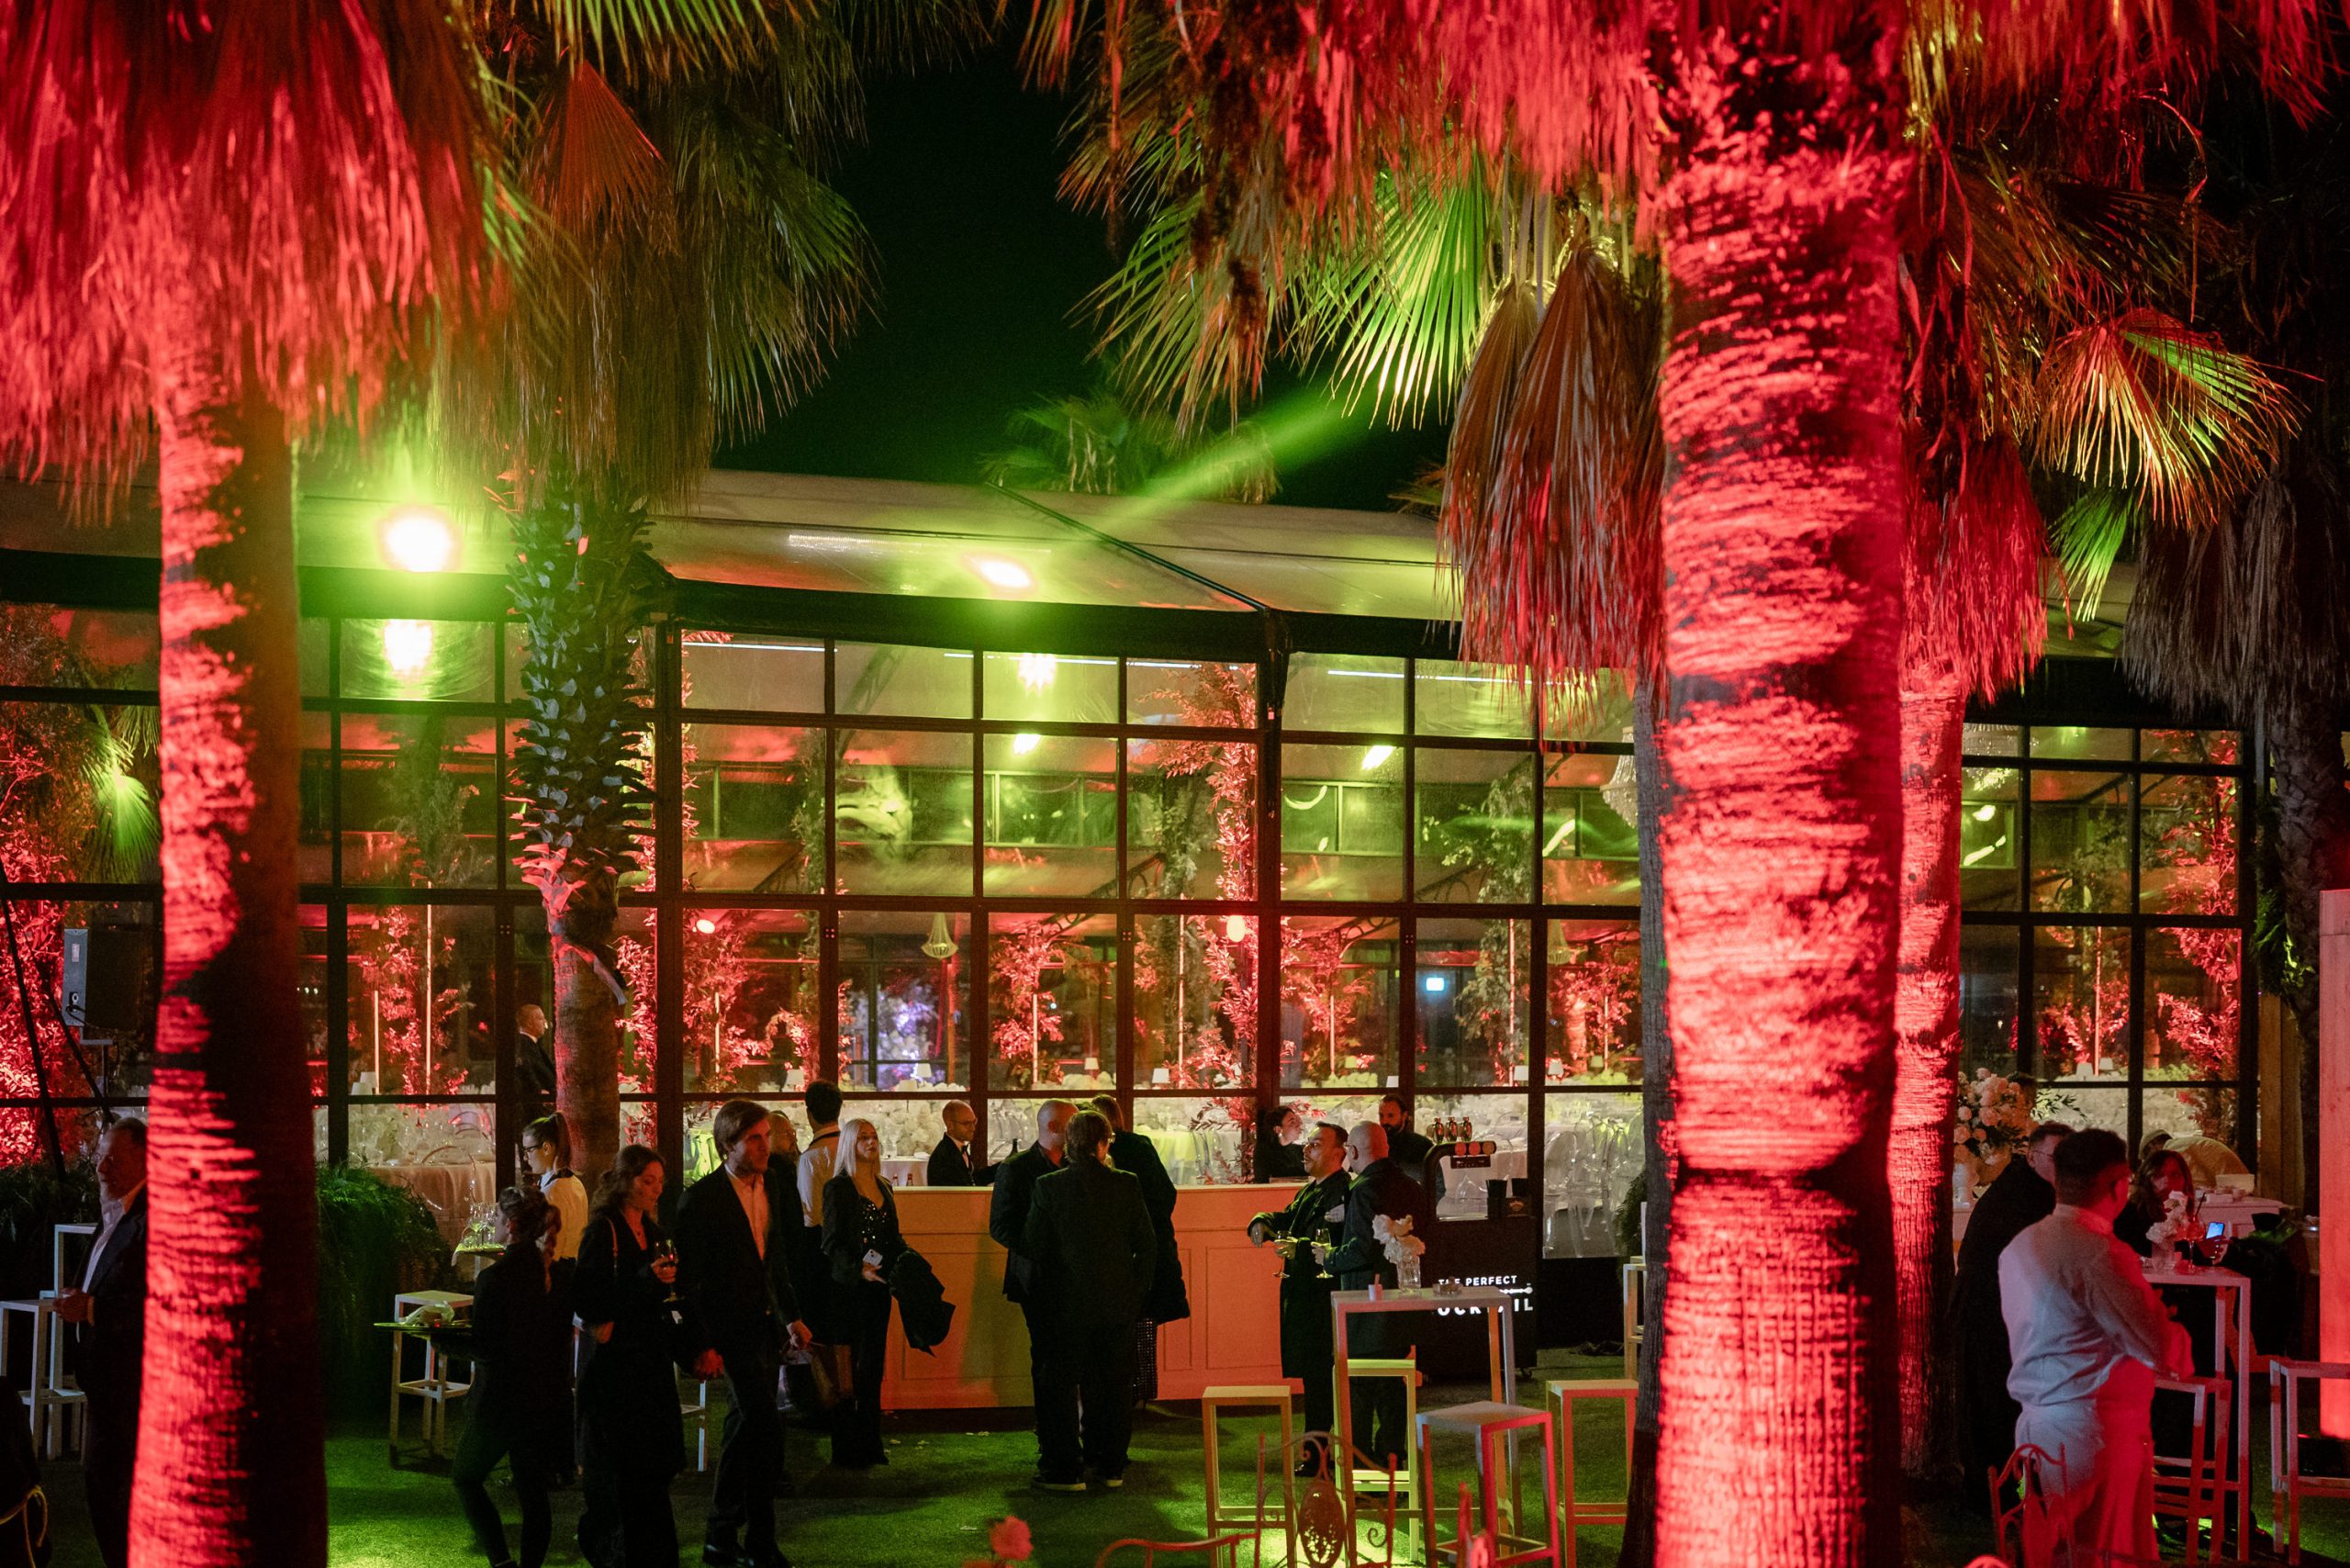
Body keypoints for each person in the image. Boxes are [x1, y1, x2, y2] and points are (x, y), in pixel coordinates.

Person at [2000, 1129, 2192, 1562]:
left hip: (2037, 1428)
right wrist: (2170, 1332)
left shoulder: (2020, 1246)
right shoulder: (2100, 1253)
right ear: (2117, 1184)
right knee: (2103, 1554)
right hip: (2093, 1433)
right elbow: (2158, 1345)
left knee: (2055, 1553)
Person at [676, 1101, 812, 1568]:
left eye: (766, 1137)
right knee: (764, 1424)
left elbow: (775, 1260)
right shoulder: (701, 1199)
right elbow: (689, 1282)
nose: (764, 1146)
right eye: (753, 1138)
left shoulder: (772, 1184)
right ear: (727, 1145)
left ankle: (723, 1535)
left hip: (763, 1325)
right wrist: (703, 1343)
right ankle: (757, 1538)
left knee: (746, 1427)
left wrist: (791, 1317)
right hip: (726, 1328)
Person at [1023, 1111, 1157, 1491]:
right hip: (1115, 1305)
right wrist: (1134, 1294)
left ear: (1069, 1144)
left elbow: (1034, 1246)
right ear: (1103, 1144)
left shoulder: (1049, 1186)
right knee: (1113, 1387)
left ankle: (1064, 1470)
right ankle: (1109, 1464)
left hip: (1064, 1306)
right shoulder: (1126, 1183)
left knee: (1059, 1388)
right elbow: (1148, 1246)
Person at [576, 1147, 691, 1568]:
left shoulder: (654, 1231)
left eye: (660, 1182)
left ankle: (652, 1556)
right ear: (626, 1181)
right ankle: (615, 1549)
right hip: (616, 1371)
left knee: (654, 1470)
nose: (656, 1190)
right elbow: (590, 1300)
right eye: (648, 1181)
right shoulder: (603, 1232)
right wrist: (646, 1280)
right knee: (623, 1473)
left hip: (649, 1364)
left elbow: (660, 1299)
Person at [451, 1185, 576, 1568]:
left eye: (497, 1217)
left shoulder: (495, 1279)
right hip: (545, 1399)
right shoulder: (555, 1276)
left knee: (466, 1477)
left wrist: (443, 1341)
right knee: (534, 1494)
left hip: (502, 1401)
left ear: (512, 1225)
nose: (493, 1222)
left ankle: (502, 1562)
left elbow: (487, 1347)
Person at [1953, 1121, 2072, 1505]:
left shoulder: (2033, 1190)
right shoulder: (2024, 1196)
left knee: (2000, 1403)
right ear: (2033, 1157)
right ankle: (1995, 1496)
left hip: (2002, 1310)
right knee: (1995, 1404)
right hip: (1989, 1312)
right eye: (2057, 1157)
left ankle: (2002, 1493)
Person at [55, 1117, 145, 1568]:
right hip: (104, 1383)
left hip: (132, 1386)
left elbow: (157, 1303)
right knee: (104, 1490)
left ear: (145, 1160)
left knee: (116, 1492)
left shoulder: (151, 1221)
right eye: (100, 1158)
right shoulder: (113, 1214)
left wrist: (90, 1308)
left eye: (114, 1159)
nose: (103, 1168)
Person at [1325, 1121, 1434, 1467]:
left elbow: (1360, 1250)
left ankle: (1359, 1465)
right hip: (1404, 1295)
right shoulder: (1412, 1186)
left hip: (1366, 1299)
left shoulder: (1363, 1189)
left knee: (1359, 1386)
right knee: (1393, 1386)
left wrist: (1327, 1257)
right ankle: (1393, 1460)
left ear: (1355, 1151)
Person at [1248, 1121, 1351, 1464]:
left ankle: (1318, 1456)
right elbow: (1287, 1218)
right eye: (1308, 1143)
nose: (1306, 1149)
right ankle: (1315, 1453)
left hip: (1322, 1298)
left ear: (1338, 1154)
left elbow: (1337, 1243)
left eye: (1316, 1144)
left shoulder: (1342, 1191)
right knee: (1313, 1378)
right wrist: (1260, 1220)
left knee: (1321, 1379)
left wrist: (1298, 1248)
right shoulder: (1311, 1190)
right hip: (1305, 1296)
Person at [988, 1099, 1075, 1485]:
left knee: (1066, 1360)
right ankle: (1052, 1438)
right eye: (1072, 1125)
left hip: (1073, 1279)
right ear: (1054, 1127)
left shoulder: (1076, 1165)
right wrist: (1041, 1249)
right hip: (1036, 1279)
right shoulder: (1016, 1168)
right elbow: (1000, 1226)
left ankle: (1066, 1440)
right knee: (1047, 1360)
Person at [821, 1117, 905, 1469]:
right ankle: (845, 1447)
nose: (871, 1143)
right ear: (850, 1144)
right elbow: (831, 1243)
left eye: (874, 1137)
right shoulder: (838, 1188)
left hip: (878, 1288)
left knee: (872, 1367)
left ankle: (870, 1443)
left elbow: (893, 1236)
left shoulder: (884, 1185)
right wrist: (859, 1269)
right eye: (863, 1138)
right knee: (847, 1370)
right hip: (848, 1289)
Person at [1090, 1095, 1190, 1338]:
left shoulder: (1092, 1155)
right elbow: (1166, 1193)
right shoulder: (1140, 1146)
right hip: (1151, 1252)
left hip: (1109, 1260)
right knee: (1144, 1331)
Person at [794, 1081, 845, 1343]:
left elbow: (811, 1214)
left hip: (824, 1249)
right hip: (857, 1247)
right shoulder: (853, 1148)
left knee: (825, 1326)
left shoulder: (811, 1157)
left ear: (809, 1113)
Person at [520, 1112, 588, 1262]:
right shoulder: (575, 1182)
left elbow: (551, 1251)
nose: (525, 1158)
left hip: (558, 1270)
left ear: (547, 1148)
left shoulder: (553, 1191)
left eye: (529, 1150)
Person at [2115, 1147, 2197, 1258]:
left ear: (2186, 1179)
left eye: (2175, 1175)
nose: (2168, 1182)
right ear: (2146, 1180)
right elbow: (2147, 1254)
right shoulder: (2131, 1214)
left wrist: (2206, 1250)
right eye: (2159, 1176)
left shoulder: (2179, 1210)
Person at [926, 1100, 995, 1187]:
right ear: (950, 1125)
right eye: (967, 1123)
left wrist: (1004, 1166)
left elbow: (973, 1179)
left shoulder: (956, 1147)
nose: (973, 1128)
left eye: (974, 1122)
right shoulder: (943, 1156)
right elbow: (960, 1190)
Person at [1378, 1095, 1438, 1188]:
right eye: (1381, 1116)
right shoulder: (1375, 1144)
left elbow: (1437, 1185)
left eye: (1390, 1116)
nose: (1384, 1121)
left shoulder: (1422, 1145)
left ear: (1404, 1116)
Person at [515, 1003, 555, 1106]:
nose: (545, 1022)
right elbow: (525, 1069)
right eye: (541, 1019)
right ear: (529, 1023)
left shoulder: (531, 1044)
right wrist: (538, 1091)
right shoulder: (524, 1045)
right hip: (537, 1106)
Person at [1256, 1106, 1306, 1182]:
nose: (1298, 1125)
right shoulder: (1265, 1153)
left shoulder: (1301, 1150)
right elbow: (1263, 1183)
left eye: (1297, 1121)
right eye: (1292, 1122)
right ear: (1278, 1129)